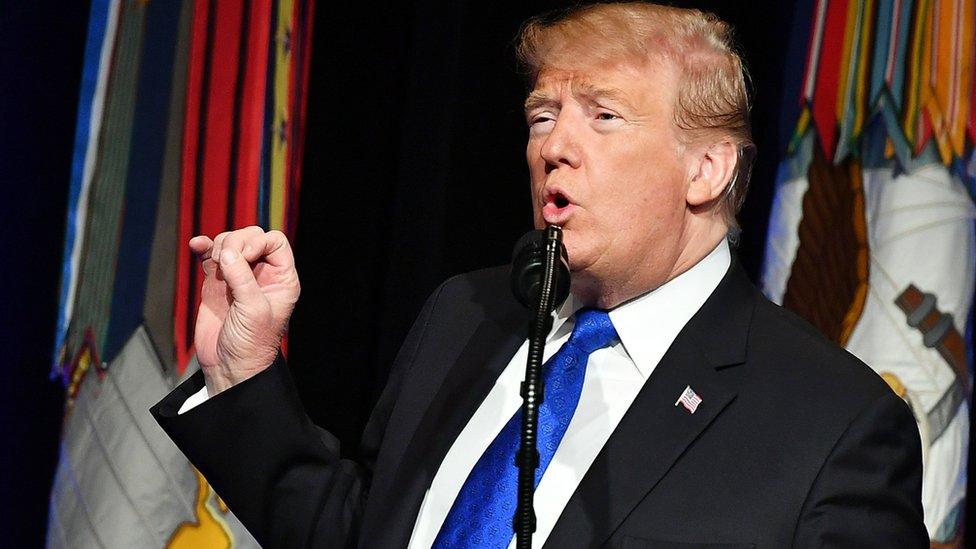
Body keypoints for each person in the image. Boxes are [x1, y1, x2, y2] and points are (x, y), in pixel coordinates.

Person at [152, 3, 927, 547]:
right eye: (542, 115)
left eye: (604, 115)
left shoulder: (833, 424)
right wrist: (245, 373)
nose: (554, 146)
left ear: (707, 167)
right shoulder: (472, 313)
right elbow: (371, 531)